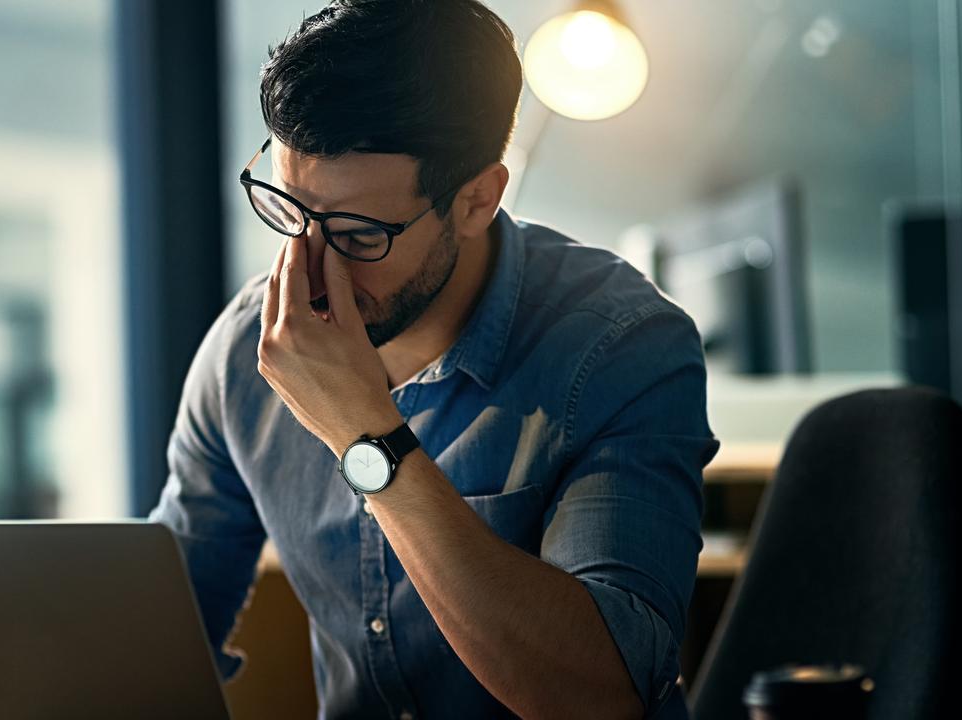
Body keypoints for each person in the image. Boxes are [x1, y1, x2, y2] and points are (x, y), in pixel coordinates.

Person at [149, 1, 719, 717]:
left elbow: (603, 694)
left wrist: (365, 437)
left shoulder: (620, 346)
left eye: (358, 235)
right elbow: (161, 624)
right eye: (291, 213)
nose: (310, 268)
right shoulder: (247, 352)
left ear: (477, 199)